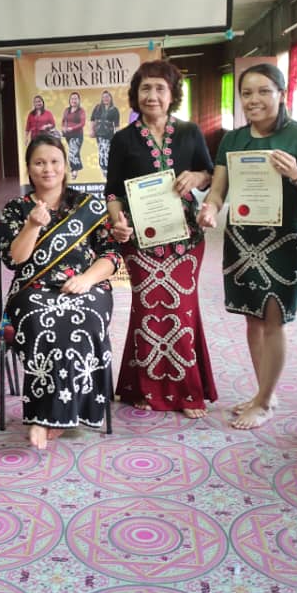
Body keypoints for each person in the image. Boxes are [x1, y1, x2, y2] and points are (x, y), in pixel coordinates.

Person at [198, 64, 297, 429]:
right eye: (246, 93)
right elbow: (219, 190)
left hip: (285, 240)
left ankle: (265, 400)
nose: (253, 99)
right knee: (253, 318)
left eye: (263, 91)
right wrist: (210, 208)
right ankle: (264, 393)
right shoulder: (233, 139)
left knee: (274, 317)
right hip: (243, 238)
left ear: (281, 94)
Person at [106, 61, 217, 418]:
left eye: (159, 88)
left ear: (172, 95)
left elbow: (210, 174)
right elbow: (113, 192)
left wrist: (196, 178)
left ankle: (187, 391)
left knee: (182, 310)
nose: (152, 95)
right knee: (148, 310)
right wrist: (117, 221)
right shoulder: (123, 139)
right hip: (139, 239)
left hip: (186, 238)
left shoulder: (190, 132)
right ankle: (144, 386)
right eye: (145, 88)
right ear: (135, 95)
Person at [1, 135, 121, 450]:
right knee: (43, 321)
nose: (48, 169)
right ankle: (46, 416)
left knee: (85, 319)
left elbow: (111, 255)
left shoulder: (89, 205)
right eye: (39, 163)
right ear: (29, 168)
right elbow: (14, 259)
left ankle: (53, 415)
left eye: (55, 161)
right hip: (33, 289)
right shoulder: (16, 209)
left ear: (66, 166)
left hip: (86, 285)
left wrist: (87, 279)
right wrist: (31, 226)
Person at [90, 90, 122, 172]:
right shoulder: (98, 108)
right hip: (99, 134)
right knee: (101, 152)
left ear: (110, 98)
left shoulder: (114, 110)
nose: (105, 98)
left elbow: (117, 125)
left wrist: (118, 137)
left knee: (107, 152)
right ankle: (104, 169)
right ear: (102, 98)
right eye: (104, 97)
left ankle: (108, 169)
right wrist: (92, 130)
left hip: (109, 135)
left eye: (107, 96)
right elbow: (92, 119)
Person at [61, 92, 87, 179]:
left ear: (79, 100)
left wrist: (72, 128)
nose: (74, 100)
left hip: (77, 135)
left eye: (75, 98)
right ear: (70, 100)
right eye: (72, 98)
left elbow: (82, 123)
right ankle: (75, 168)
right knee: (73, 152)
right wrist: (63, 128)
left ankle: (74, 170)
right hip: (68, 135)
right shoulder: (66, 110)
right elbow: (63, 121)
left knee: (73, 151)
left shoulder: (81, 111)